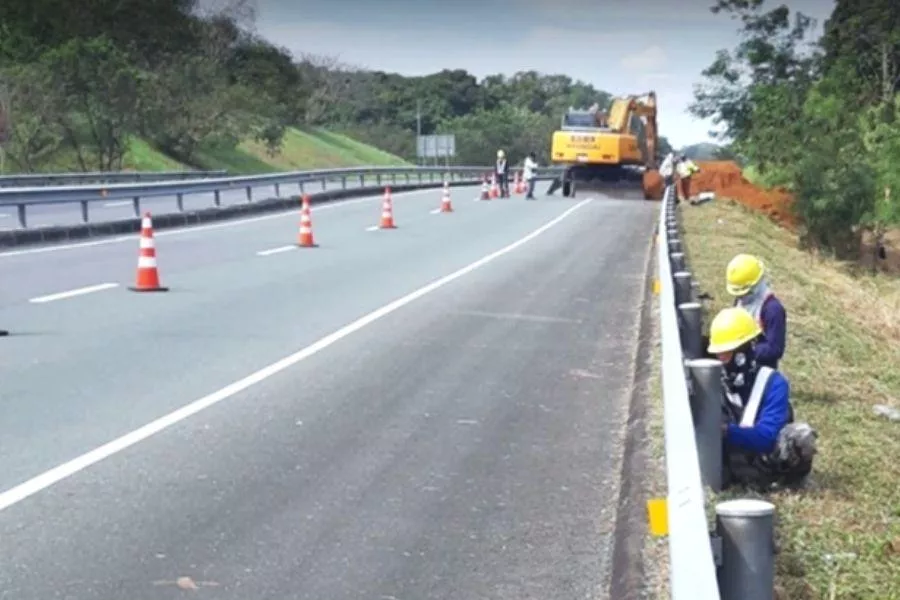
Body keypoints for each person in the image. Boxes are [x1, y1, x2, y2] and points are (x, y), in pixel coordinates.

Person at [707, 306, 817, 491]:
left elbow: (767, 436)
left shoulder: (773, 383)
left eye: (725, 354)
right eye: (718, 355)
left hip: (764, 463)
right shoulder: (712, 383)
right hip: (730, 463)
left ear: (742, 353)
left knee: (800, 435)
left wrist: (726, 431)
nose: (721, 361)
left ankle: (788, 483)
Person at [725, 253, 786, 370]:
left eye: (744, 293)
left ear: (755, 286)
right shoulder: (740, 300)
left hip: (760, 369)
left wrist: (746, 350)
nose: (741, 297)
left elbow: (775, 349)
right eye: (738, 294)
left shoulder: (772, 310)